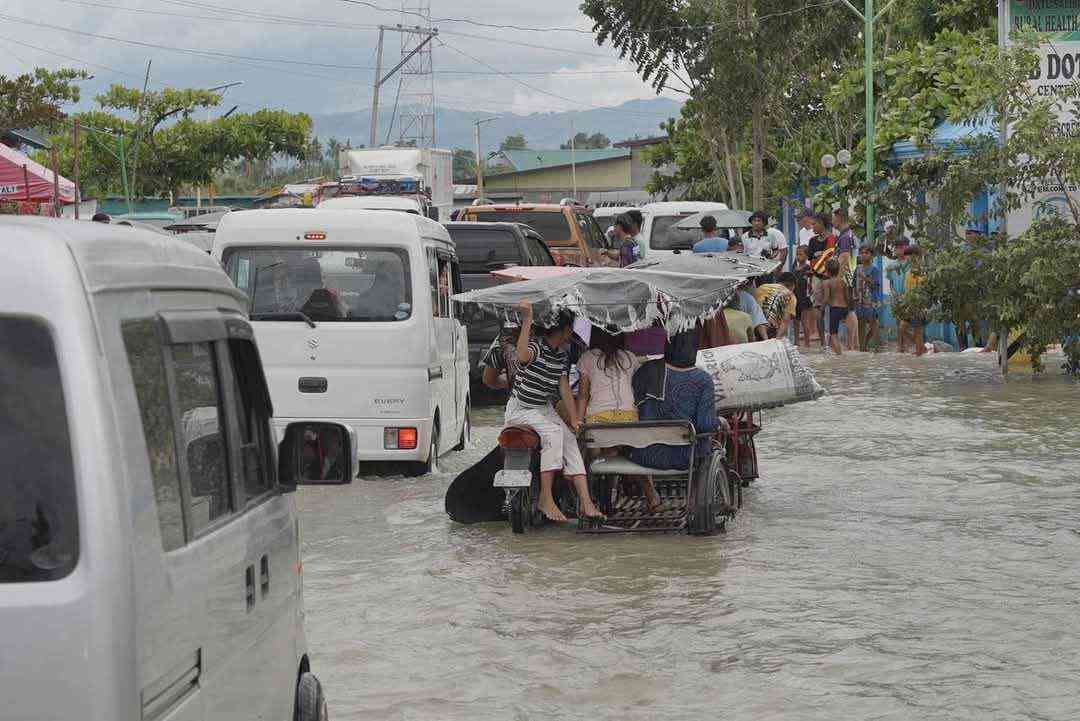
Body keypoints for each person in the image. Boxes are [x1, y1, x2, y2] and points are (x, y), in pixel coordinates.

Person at [503, 301, 604, 522]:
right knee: (554, 433)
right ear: (566, 330)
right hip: (522, 409)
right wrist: (527, 319)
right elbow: (522, 356)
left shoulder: (561, 355)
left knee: (569, 439)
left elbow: (564, 388)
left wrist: (575, 419)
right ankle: (546, 498)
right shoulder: (537, 346)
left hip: (542, 408)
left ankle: (586, 503)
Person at [629, 330, 718, 471]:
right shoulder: (703, 380)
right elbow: (705, 425)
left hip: (645, 454)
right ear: (695, 347)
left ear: (667, 344)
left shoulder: (646, 370)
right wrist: (719, 421)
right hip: (687, 457)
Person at [852, 245, 883, 351]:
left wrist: (864, 278)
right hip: (859, 301)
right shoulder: (857, 268)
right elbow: (853, 284)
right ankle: (862, 348)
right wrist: (853, 299)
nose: (864, 255)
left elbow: (876, 285)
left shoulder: (874, 269)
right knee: (861, 324)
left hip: (871, 300)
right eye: (862, 253)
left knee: (873, 324)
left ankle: (878, 348)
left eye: (866, 253)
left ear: (872, 255)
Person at [753, 273, 798, 339]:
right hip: (771, 330)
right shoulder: (790, 295)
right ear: (792, 285)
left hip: (755, 326)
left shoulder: (762, 287)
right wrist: (777, 338)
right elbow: (785, 320)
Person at [823, 258, 849, 355]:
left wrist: (821, 308)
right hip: (844, 308)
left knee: (833, 334)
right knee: (842, 332)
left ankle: (839, 355)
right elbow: (847, 297)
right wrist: (848, 310)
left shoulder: (827, 283)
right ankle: (838, 350)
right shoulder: (843, 281)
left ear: (827, 271)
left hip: (834, 308)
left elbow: (826, 298)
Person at [792, 245, 816, 349]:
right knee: (796, 322)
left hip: (805, 298)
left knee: (805, 322)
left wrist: (810, 291)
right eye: (797, 254)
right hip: (795, 297)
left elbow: (810, 284)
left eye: (800, 254)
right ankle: (796, 342)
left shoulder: (808, 268)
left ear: (806, 256)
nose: (798, 256)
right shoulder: (794, 267)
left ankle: (807, 343)